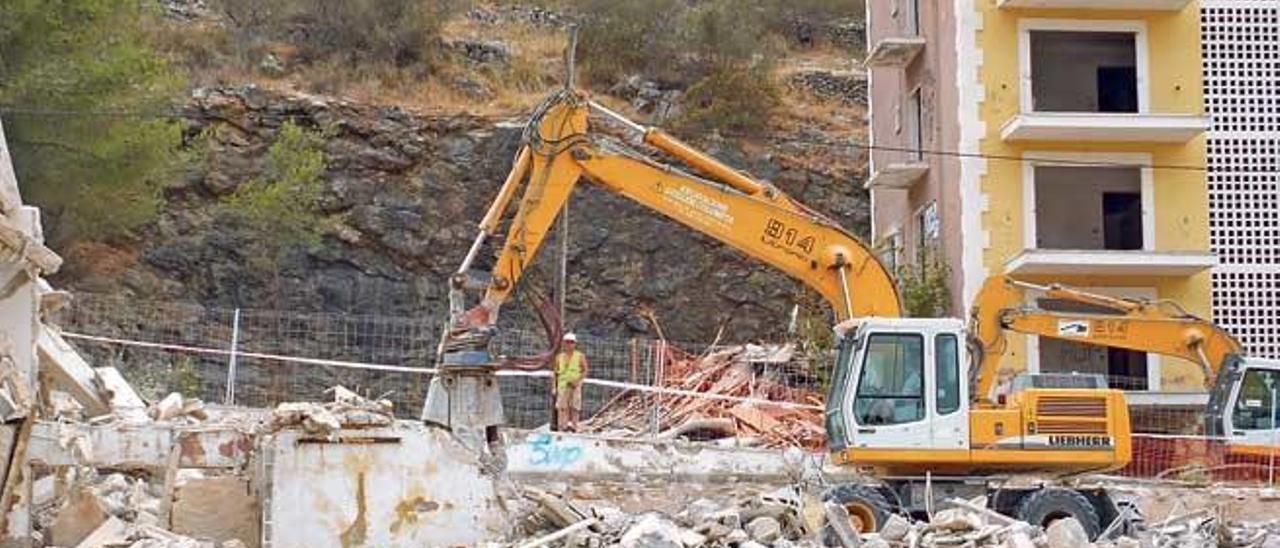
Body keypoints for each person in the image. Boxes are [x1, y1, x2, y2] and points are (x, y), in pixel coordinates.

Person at [553, 332, 589, 431]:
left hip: (575, 385)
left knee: (575, 407)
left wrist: (578, 381)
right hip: (562, 385)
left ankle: (574, 427)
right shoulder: (559, 357)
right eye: (567, 342)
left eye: (571, 342)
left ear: (575, 344)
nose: (569, 344)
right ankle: (562, 427)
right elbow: (555, 373)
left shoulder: (580, 356)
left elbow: (585, 370)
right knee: (562, 407)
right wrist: (554, 387)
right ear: (564, 343)